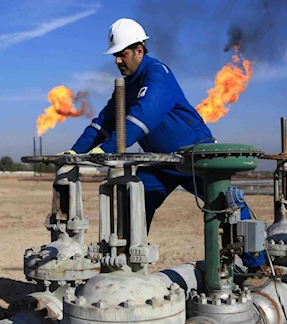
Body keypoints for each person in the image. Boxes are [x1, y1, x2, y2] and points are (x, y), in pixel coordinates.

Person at [65, 18, 214, 232]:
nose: (117, 61)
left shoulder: (157, 74)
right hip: (160, 163)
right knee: (133, 206)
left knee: (226, 205)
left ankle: (257, 262)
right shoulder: (125, 87)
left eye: (122, 54)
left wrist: (106, 149)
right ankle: (127, 261)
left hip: (192, 158)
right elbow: (104, 123)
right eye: (115, 56)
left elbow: (144, 115)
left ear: (139, 50)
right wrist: (75, 152)